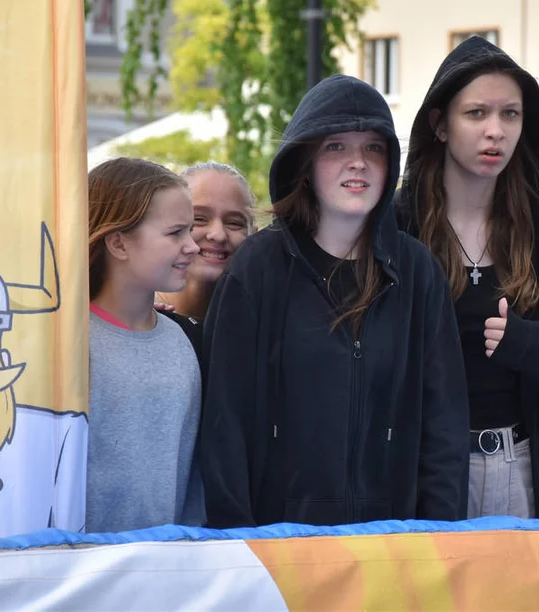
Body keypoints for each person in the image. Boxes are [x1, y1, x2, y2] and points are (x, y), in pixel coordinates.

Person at [201, 74, 469, 528]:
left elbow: (443, 426)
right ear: (304, 161)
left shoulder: (417, 271)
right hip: (279, 545)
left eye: (373, 148)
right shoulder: (257, 269)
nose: (358, 163)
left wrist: (436, 538)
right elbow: (225, 425)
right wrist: (240, 549)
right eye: (336, 147)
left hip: (393, 542)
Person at [397, 36, 539, 519]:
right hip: (422, 470)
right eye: (476, 113)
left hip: (517, 465)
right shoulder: (399, 230)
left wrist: (528, 345)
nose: (495, 131)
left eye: (510, 114)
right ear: (440, 125)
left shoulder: (538, 235)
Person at [87, 157, 206, 532]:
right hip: (73, 572)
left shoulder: (184, 342)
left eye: (190, 230)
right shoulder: (65, 345)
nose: (193, 246)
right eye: (175, 233)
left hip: (163, 571)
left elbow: (190, 476)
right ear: (119, 243)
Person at [158, 162, 256, 322]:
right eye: (199, 219)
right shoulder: (130, 319)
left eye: (234, 223)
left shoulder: (266, 327)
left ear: (255, 235)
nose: (218, 235)